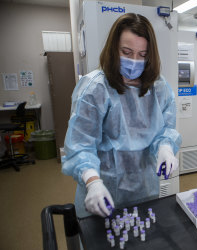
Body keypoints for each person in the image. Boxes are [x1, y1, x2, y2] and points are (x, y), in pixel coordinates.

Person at [62, 13, 181, 218]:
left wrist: (165, 147)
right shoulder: (95, 89)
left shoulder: (158, 87)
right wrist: (93, 182)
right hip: (103, 191)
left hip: (145, 188)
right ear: (113, 49)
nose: (134, 61)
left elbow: (166, 129)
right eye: (126, 52)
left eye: (142, 55)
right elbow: (81, 145)